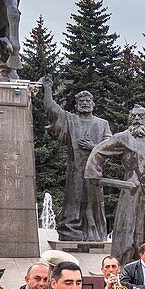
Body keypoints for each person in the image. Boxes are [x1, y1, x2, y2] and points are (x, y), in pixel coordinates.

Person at [84, 105, 145, 264]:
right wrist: (94, 172)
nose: (136, 120)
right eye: (133, 116)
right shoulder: (123, 138)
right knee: (128, 228)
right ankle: (122, 263)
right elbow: (99, 150)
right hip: (131, 189)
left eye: (140, 117)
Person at [41, 82, 112, 241]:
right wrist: (47, 88)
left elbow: (110, 147)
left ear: (93, 104)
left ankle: (94, 233)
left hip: (94, 172)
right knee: (74, 201)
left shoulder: (102, 124)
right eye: (81, 101)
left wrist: (93, 146)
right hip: (75, 171)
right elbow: (51, 108)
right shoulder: (70, 119)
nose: (85, 103)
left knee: (94, 203)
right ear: (77, 104)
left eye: (88, 101)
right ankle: (72, 231)